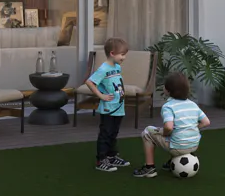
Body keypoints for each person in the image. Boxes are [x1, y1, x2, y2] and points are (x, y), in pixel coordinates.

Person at [135, 72, 209, 178]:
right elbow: (206, 122)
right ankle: (170, 162)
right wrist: (191, 128)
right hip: (193, 145)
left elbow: (169, 127)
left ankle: (149, 167)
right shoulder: (193, 104)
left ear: (167, 90)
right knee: (177, 131)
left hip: (178, 146)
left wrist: (163, 132)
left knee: (147, 132)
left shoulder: (168, 106)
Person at [86, 37, 130, 172]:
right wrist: (101, 96)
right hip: (108, 108)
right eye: (122, 54)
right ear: (112, 53)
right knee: (106, 133)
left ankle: (111, 156)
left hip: (118, 107)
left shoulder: (117, 67)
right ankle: (101, 160)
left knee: (114, 133)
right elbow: (90, 82)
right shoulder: (103, 69)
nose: (124, 57)